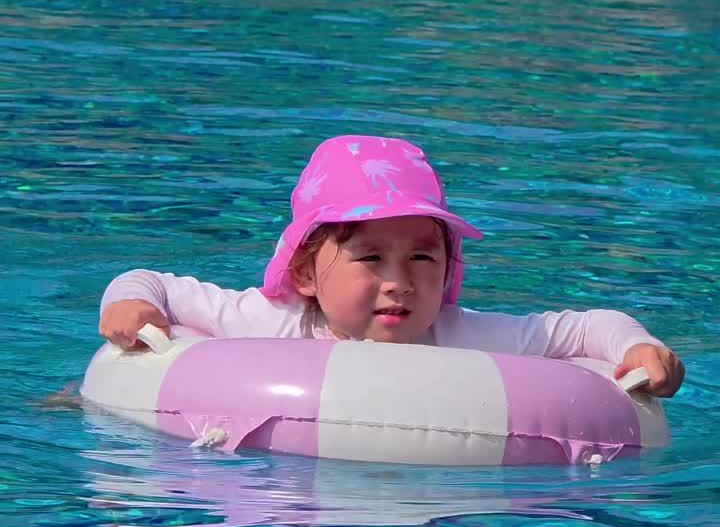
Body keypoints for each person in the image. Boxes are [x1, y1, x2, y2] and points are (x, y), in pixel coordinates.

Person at [99, 134, 684, 398]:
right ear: (306, 272)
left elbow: (585, 327)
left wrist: (639, 348)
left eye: (423, 256)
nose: (399, 281)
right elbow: (151, 282)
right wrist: (131, 305)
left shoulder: (465, 337)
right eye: (370, 257)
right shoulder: (268, 320)